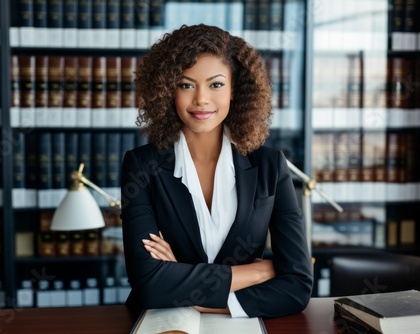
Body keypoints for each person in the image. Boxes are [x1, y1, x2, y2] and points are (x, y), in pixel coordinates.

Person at [120, 24, 313, 318]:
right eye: (186, 85)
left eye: (216, 84)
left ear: (236, 90)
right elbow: (149, 284)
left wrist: (197, 294)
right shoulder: (141, 166)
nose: (201, 99)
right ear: (168, 91)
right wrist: (259, 271)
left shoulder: (270, 166)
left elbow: (297, 286)